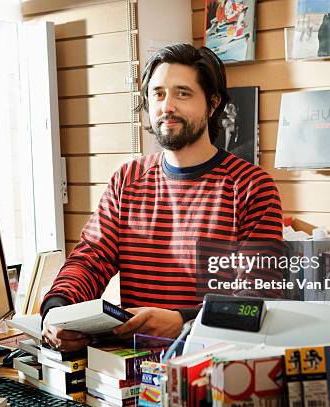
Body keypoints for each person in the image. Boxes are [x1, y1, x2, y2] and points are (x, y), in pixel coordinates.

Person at [41, 44, 283, 352]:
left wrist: (181, 321)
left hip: (213, 368)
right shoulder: (126, 180)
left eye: (182, 93)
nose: (167, 106)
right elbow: (90, 260)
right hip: (132, 369)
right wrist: (56, 310)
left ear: (212, 104)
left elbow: (254, 302)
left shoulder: (252, 187)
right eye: (158, 94)